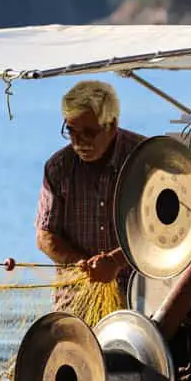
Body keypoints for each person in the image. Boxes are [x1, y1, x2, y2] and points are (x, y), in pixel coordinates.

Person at [34, 79, 144, 302]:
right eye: (71, 131)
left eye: (89, 132)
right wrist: (81, 264)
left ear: (111, 125)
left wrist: (116, 261)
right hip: (77, 300)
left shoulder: (145, 160)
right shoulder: (58, 168)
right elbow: (45, 236)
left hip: (139, 299)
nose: (79, 142)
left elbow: (165, 234)